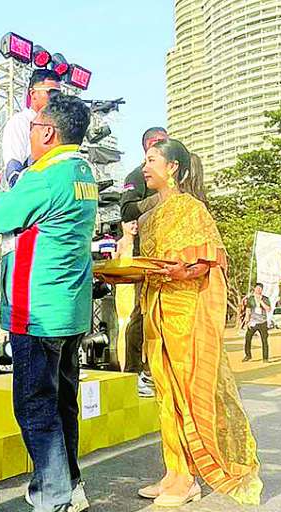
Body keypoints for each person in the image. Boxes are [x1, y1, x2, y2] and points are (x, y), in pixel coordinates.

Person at [0, 94, 94, 512]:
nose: (29, 134)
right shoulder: (82, 173)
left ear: (48, 132)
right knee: (62, 404)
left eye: (33, 127)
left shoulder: (44, 175)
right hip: (69, 310)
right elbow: (23, 205)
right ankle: (69, 487)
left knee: (36, 409)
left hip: (37, 311)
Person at [118, 138, 262, 507]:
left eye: (152, 160)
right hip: (156, 312)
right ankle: (174, 471)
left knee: (188, 391)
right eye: (145, 160)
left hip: (187, 314)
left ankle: (190, 477)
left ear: (174, 168)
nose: (145, 167)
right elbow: (144, 265)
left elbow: (208, 263)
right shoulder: (148, 218)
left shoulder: (193, 210)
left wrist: (182, 271)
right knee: (165, 393)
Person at [118, 128, 168, 397]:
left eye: (165, 141)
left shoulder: (176, 173)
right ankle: (134, 371)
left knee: (168, 314)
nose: (161, 146)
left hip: (175, 253)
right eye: (156, 143)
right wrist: (159, 198)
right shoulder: (138, 176)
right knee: (142, 311)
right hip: (147, 254)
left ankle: (160, 370)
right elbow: (126, 211)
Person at [0, 69, 62, 187]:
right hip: (34, 191)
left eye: (59, 94)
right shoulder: (20, 122)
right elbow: (13, 169)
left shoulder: (59, 125)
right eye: (51, 93)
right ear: (33, 94)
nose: (56, 98)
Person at [241, 283, 271, 362]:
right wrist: (247, 320)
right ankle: (248, 355)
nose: (258, 290)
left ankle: (265, 358)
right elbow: (248, 310)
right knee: (248, 338)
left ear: (262, 290)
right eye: (257, 288)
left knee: (264, 340)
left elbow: (268, 309)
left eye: (260, 288)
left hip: (262, 322)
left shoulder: (265, 298)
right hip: (253, 322)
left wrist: (261, 301)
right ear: (254, 289)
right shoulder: (250, 299)